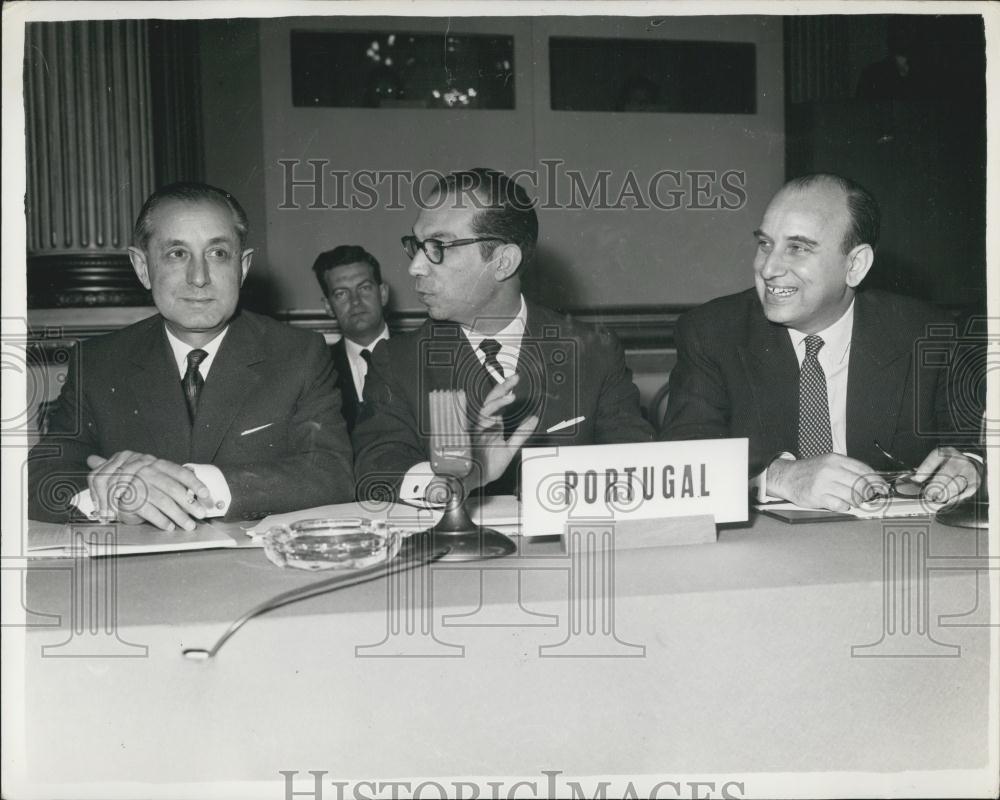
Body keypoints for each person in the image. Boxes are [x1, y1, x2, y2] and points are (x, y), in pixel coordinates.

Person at [28, 182, 355, 528]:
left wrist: (194, 486)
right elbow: (42, 478)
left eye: (217, 254)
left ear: (242, 268)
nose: (198, 278)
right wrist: (109, 496)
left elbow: (332, 475)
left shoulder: (299, 354)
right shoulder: (97, 361)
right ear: (142, 267)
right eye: (177, 254)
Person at [661, 173, 982, 512]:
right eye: (765, 244)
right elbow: (683, 461)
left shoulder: (927, 333)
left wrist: (972, 465)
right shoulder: (712, 332)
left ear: (855, 265)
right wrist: (778, 477)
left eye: (797, 248)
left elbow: (974, 444)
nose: (768, 268)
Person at [352, 167, 652, 500]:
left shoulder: (594, 351)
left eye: (438, 246)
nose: (415, 267)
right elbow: (376, 466)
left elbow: (637, 467)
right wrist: (454, 480)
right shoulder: (397, 362)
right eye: (417, 245)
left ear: (503, 262)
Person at [313, 245, 390, 433]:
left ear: (383, 293)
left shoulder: (420, 354)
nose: (355, 301)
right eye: (341, 293)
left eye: (364, 288)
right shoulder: (318, 369)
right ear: (328, 306)